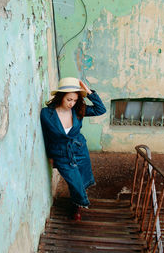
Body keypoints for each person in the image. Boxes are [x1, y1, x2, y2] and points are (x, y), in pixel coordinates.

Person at [40, 77, 106, 220]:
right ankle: (79, 203)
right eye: (69, 99)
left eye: (75, 100)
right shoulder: (47, 114)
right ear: (60, 97)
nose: (72, 103)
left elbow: (100, 109)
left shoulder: (78, 110)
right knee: (74, 181)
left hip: (79, 150)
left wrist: (88, 92)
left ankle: (76, 206)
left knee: (81, 180)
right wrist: (49, 155)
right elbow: (46, 136)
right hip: (61, 154)